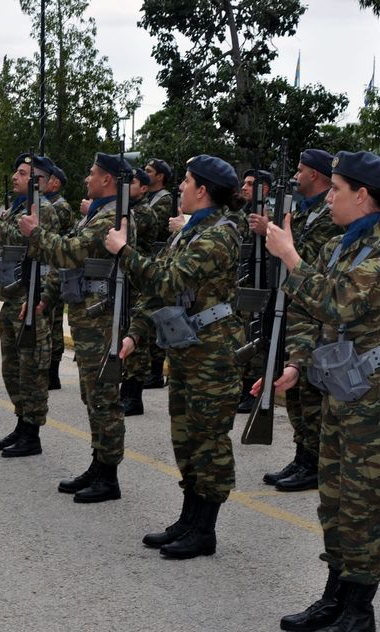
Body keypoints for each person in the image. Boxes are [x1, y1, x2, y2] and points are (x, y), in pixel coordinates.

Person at [264, 151, 380, 631]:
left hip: (375, 392)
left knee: (363, 503)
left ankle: (358, 609)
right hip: (342, 385)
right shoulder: (342, 245)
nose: (329, 198)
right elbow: (310, 314)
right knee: (333, 498)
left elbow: (338, 303)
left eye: (336, 190)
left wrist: (290, 256)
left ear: (362, 195)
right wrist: (295, 361)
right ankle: (335, 594)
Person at [105, 154, 243, 558]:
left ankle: (205, 529)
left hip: (213, 354)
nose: (179, 187)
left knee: (209, 441)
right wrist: (134, 335)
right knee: (185, 438)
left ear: (202, 190)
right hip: (186, 347)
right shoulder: (191, 232)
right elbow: (159, 294)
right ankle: (188, 519)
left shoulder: (220, 235)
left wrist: (124, 251)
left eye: (185, 181)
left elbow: (168, 279)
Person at [19, 152, 132, 503]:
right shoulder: (96, 215)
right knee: (91, 395)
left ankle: (108, 474)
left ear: (108, 180)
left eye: (93, 173)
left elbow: (69, 253)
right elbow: (70, 270)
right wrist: (46, 298)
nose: (87, 178)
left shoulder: (111, 219)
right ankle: (99, 464)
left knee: (103, 398)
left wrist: (36, 234)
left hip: (103, 320)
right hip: (87, 319)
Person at [255, 149, 342, 492]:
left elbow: (307, 260)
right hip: (293, 305)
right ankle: (303, 454)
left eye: (301, 170)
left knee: (308, 390)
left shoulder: (325, 216)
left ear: (317, 176)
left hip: (313, 309)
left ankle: (313, 459)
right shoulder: (306, 212)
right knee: (293, 389)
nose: (296, 175)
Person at [0, 153, 59, 457]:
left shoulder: (44, 211)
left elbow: (22, 239)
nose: (15, 176)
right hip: (10, 297)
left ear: (39, 181)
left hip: (30, 300)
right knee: (12, 369)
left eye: (22, 173)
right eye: (17, 171)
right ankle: (21, 425)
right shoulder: (16, 209)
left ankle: (32, 434)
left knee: (31, 370)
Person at [236, 168, 274, 414]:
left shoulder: (274, 212)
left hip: (266, 281)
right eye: (245, 183)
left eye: (251, 184)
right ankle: (244, 387)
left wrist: (268, 227)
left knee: (259, 333)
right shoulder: (243, 212)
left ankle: (253, 391)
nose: (245, 187)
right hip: (247, 280)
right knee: (246, 332)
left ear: (265, 189)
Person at [119, 167, 155, 417]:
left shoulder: (143, 212)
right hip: (128, 278)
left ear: (144, 188)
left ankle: (134, 396)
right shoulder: (129, 210)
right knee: (127, 334)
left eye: (131, 182)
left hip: (140, 280)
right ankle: (126, 391)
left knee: (138, 339)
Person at [140, 158, 176, 389]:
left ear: (160, 176)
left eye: (149, 171)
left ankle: (155, 371)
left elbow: (151, 223)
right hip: (150, 261)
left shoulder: (164, 200)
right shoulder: (149, 199)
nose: (145, 173)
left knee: (156, 318)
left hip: (159, 260)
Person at [44, 163, 73, 390]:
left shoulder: (60, 206)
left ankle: (52, 372)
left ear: (56, 183)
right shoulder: (48, 204)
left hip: (56, 266)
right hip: (50, 266)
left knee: (53, 322)